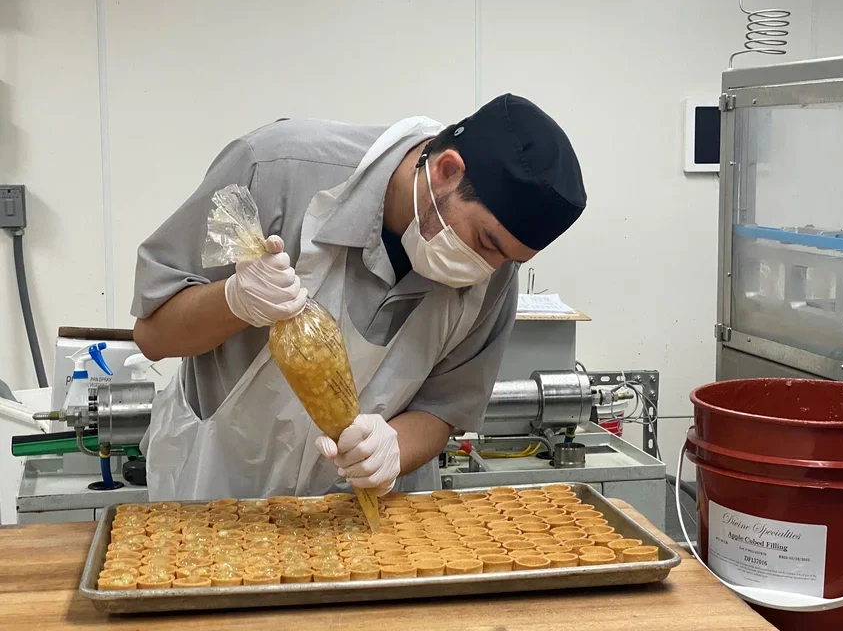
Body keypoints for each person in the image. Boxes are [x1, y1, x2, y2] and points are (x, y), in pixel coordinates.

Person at [131, 94, 587, 501]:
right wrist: (234, 301)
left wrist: (393, 446)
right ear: (447, 170)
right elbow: (153, 335)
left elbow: (443, 409)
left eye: (509, 260)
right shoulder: (277, 172)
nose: (487, 269)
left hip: (357, 524)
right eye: (486, 243)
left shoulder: (496, 270)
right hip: (219, 498)